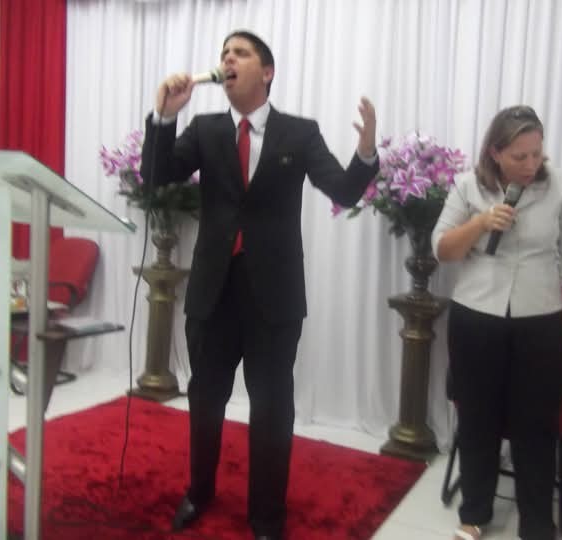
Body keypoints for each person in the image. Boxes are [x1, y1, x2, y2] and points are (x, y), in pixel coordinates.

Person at [140, 30, 378, 540]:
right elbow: (156, 178)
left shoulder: (300, 133)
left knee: (272, 408)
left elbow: (343, 191)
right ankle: (199, 491)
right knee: (205, 399)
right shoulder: (205, 129)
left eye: (240, 53)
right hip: (213, 290)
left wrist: (364, 153)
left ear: (266, 72)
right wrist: (164, 117)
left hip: (274, 296)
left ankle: (267, 515)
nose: (228, 59)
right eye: (224, 54)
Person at [431, 105, 562, 540]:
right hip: (476, 317)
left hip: (541, 318)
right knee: (477, 419)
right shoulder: (468, 185)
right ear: (495, 153)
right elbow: (442, 249)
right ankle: (474, 514)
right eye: (520, 156)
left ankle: (537, 524)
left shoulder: (560, 184)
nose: (531, 164)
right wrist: (480, 223)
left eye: (536, 153)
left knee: (536, 425)